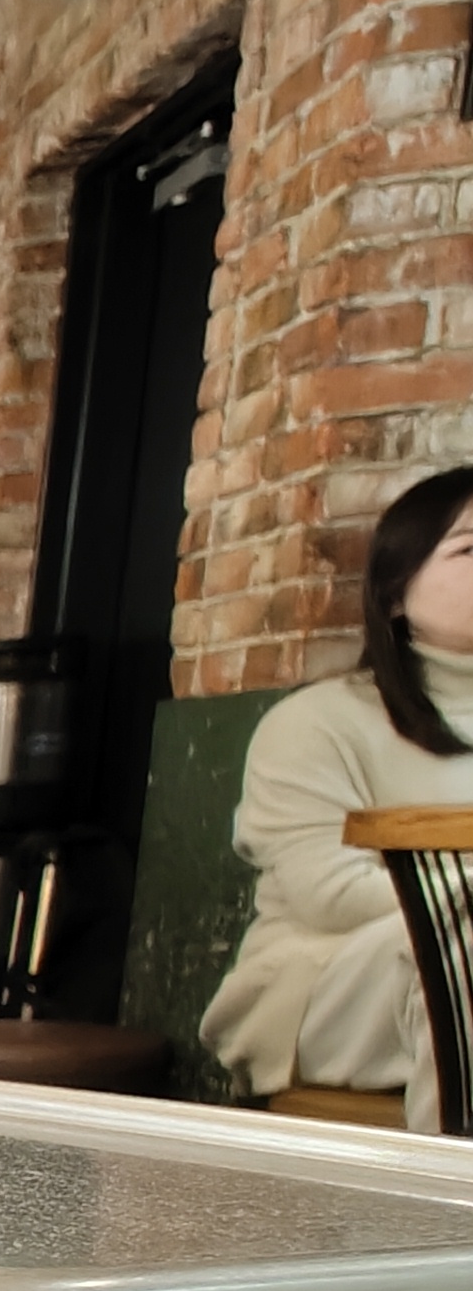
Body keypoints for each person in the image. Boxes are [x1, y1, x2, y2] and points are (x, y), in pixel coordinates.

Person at [202, 468, 473, 1127]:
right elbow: (331, 894)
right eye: (469, 549)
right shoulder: (316, 723)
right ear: (394, 593)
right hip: (319, 985)